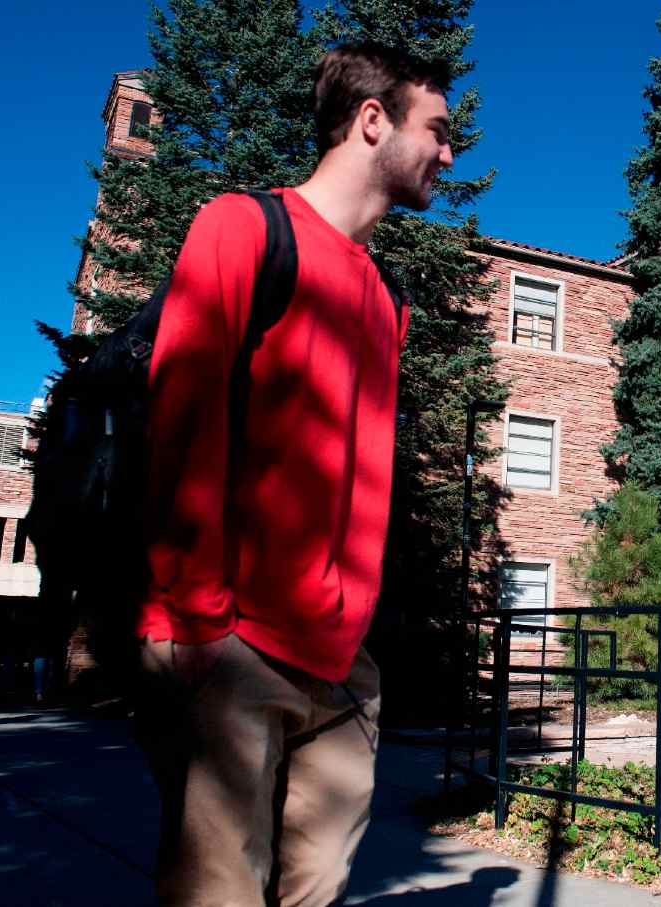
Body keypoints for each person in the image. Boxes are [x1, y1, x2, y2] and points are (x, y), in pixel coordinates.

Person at [133, 43, 452, 907]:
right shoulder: (242, 227)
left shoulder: (388, 301)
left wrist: (356, 647)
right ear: (372, 119)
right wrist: (197, 620)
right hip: (231, 642)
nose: (449, 153)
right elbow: (181, 424)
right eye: (438, 129)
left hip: (343, 672)